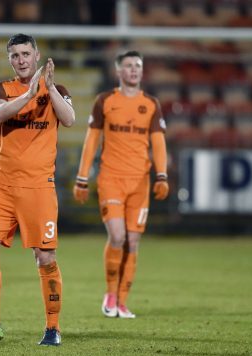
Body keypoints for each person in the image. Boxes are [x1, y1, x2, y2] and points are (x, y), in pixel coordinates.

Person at [0, 34, 75, 346]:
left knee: (45, 257)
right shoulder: (1, 88)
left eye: (26, 53)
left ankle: (53, 328)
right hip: (3, 184)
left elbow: (69, 119)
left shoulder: (58, 90)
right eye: (15, 55)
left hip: (38, 187)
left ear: (37, 55)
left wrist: (48, 88)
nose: (21, 60)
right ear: (9, 59)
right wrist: (28, 94)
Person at [73, 50, 169, 319]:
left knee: (133, 242)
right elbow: (91, 140)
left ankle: (123, 302)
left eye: (138, 65)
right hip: (111, 179)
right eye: (128, 65)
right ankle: (111, 293)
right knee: (118, 236)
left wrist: (161, 175)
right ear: (118, 71)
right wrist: (82, 177)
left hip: (139, 182)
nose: (134, 70)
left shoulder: (151, 104)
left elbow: (158, 142)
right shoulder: (105, 101)